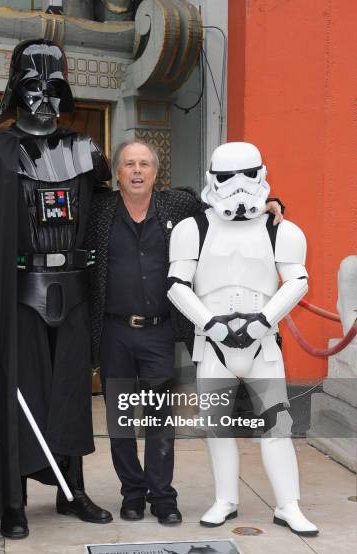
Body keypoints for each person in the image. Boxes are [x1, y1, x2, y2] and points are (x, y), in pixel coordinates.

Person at [0, 39, 112, 539]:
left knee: (71, 396)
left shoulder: (86, 152)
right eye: (33, 86)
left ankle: (71, 490)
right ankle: (12, 498)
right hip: (18, 293)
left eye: (54, 86)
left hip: (75, 290)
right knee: (22, 393)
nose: (44, 97)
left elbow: (107, 213)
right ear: (15, 90)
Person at [87, 140, 284, 525]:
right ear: (118, 172)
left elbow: (227, 208)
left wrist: (268, 203)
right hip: (114, 332)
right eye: (129, 164)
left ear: (157, 173)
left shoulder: (178, 206)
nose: (138, 171)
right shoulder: (100, 211)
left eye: (145, 163)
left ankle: (162, 497)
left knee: (161, 420)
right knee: (121, 419)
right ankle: (132, 494)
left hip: (160, 332)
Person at [167, 142, 318, 536]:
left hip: (263, 343)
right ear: (211, 179)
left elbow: (297, 281)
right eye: (227, 177)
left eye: (247, 175)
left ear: (262, 174)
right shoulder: (192, 228)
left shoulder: (281, 230)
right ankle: (225, 499)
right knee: (217, 427)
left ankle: (288, 505)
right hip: (212, 343)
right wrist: (212, 324)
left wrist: (262, 321)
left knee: (277, 426)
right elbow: (177, 285)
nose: (237, 186)